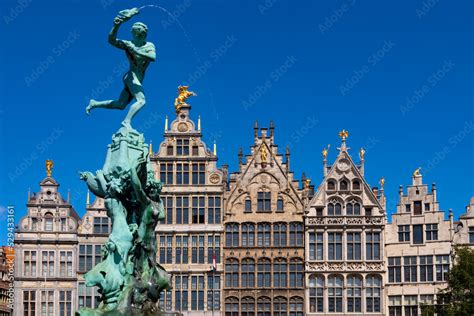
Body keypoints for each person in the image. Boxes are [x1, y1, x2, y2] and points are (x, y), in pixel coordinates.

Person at [86, 11, 156, 129]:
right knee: (141, 101)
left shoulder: (149, 46)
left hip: (137, 78)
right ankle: (126, 122)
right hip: (131, 76)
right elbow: (111, 40)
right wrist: (116, 25)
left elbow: (152, 57)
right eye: (137, 34)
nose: (140, 36)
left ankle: (95, 103)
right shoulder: (128, 44)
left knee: (120, 104)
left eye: (141, 33)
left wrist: (135, 50)